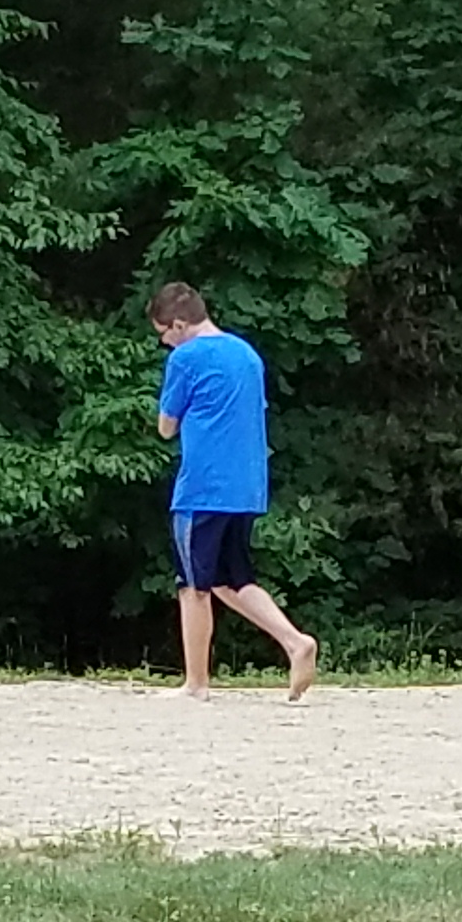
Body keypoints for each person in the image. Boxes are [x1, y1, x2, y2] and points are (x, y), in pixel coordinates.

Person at [149, 282, 318, 701]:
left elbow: (166, 427)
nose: (165, 344)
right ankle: (295, 641)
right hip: (246, 485)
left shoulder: (185, 358)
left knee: (192, 586)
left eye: (164, 335)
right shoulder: (246, 354)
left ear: (178, 324)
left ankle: (196, 684)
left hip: (202, 487)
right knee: (232, 580)